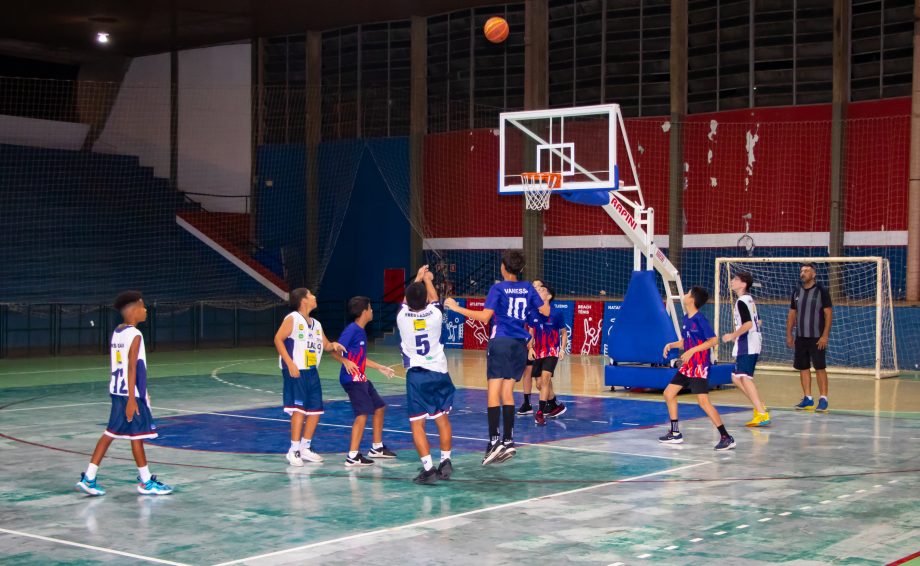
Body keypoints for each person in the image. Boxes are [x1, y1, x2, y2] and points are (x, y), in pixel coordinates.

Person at [445, 250, 549, 465]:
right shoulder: (528, 287)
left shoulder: (498, 288)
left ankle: (494, 442)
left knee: (493, 393)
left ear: (503, 267)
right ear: (520, 269)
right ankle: (509, 441)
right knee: (507, 393)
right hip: (519, 345)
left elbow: (484, 317)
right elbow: (545, 311)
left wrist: (456, 307)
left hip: (501, 341)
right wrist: (539, 298)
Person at [75, 291, 173, 496]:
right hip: (130, 394)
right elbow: (131, 368)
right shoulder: (135, 335)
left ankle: (90, 477)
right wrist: (133, 399)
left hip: (117, 390)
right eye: (143, 306)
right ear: (133, 309)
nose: (146, 310)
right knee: (132, 435)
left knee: (115, 434)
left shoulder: (117, 332)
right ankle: (145, 483)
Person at [273, 287, 351, 467]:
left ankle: (305, 447)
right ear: (303, 300)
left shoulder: (316, 324)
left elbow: (326, 345)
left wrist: (335, 345)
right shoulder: (292, 318)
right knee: (299, 410)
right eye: (310, 294)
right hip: (296, 370)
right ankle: (293, 450)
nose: (314, 296)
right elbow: (278, 339)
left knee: (315, 411)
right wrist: (290, 363)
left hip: (312, 371)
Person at [397, 265, 456, 484]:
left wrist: (419, 276)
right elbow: (433, 297)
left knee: (417, 423)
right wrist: (429, 279)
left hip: (417, 376)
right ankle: (446, 461)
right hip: (439, 372)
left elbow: (406, 299)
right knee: (442, 418)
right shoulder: (435, 314)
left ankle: (429, 468)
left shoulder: (402, 317)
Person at [658, 287, 736, 451]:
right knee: (668, 393)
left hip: (699, 367)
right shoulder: (686, 318)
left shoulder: (700, 319)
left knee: (703, 402)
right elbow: (686, 342)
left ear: (692, 300)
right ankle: (675, 432)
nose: (684, 295)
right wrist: (672, 344)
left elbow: (713, 340)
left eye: (687, 293)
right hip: (688, 367)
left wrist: (693, 351)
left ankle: (726, 437)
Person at [338, 296, 397, 467]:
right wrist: (345, 361)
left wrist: (380, 367)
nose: (372, 311)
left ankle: (377, 448)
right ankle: (352, 456)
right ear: (364, 311)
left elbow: (360, 359)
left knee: (379, 407)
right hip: (352, 379)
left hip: (360, 377)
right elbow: (335, 349)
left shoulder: (361, 331)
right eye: (370, 308)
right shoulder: (352, 330)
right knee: (362, 414)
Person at [721, 272, 770, 427]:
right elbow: (759, 321)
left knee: (745, 378)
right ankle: (760, 405)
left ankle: (761, 413)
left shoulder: (742, 301)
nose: (732, 281)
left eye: (735, 279)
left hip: (748, 342)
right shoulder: (749, 300)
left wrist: (733, 335)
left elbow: (748, 324)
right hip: (750, 341)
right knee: (736, 377)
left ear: (743, 284)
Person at [787, 263, 833, 412]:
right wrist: (789, 334)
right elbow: (792, 313)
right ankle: (807, 398)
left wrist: (825, 335)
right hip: (801, 338)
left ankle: (823, 398)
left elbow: (828, 313)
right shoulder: (796, 291)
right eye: (801, 271)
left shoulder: (822, 291)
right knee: (803, 367)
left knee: (820, 367)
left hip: (817, 338)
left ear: (814, 274)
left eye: (806, 271)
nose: (803, 273)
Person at [530, 283, 568, 425]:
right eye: (537, 290)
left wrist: (562, 350)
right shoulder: (533, 313)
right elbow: (531, 332)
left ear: (549, 296)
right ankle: (555, 405)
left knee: (545, 380)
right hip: (538, 351)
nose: (538, 291)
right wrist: (530, 348)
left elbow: (564, 333)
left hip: (552, 350)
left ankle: (540, 413)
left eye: (542, 290)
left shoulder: (556, 313)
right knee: (539, 384)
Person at [516, 278, 545, 416]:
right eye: (533, 286)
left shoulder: (544, 307)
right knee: (527, 372)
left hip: (542, 345)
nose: (535, 289)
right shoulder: (526, 305)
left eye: (539, 287)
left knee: (541, 380)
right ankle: (527, 403)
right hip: (527, 343)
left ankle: (549, 402)